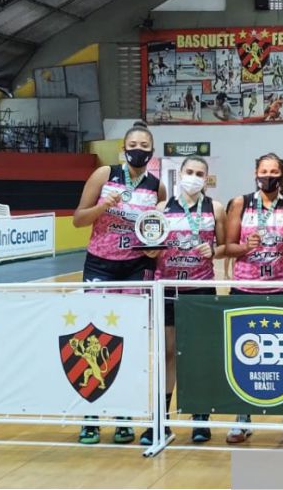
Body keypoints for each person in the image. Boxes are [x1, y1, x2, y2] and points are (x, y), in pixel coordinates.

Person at [71, 121, 165, 446]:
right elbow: (78, 218)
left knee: (130, 342)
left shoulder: (156, 187)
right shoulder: (104, 175)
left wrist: (155, 247)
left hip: (137, 268)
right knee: (95, 338)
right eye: (133, 144)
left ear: (152, 151)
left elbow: (158, 229)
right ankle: (91, 416)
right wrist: (102, 207)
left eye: (144, 145)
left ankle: (124, 412)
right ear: (123, 148)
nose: (138, 149)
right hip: (100, 265)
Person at [223, 153, 283, 444]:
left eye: (274, 171)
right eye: (264, 171)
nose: (268, 176)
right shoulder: (240, 203)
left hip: (280, 290)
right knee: (244, 354)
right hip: (245, 290)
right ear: (255, 173)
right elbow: (229, 247)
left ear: (282, 176)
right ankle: (242, 417)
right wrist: (245, 246)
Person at [153, 156, 225, 444]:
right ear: (180, 174)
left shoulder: (215, 208)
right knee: (168, 352)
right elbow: (150, 242)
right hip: (168, 287)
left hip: (201, 288)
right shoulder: (161, 208)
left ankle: (200, 418)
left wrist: (214, 251)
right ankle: (163, 418)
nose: (193, 177)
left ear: (206, 179)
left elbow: (223, 247)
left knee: (198, 356)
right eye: (189, 172)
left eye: (199, 173)